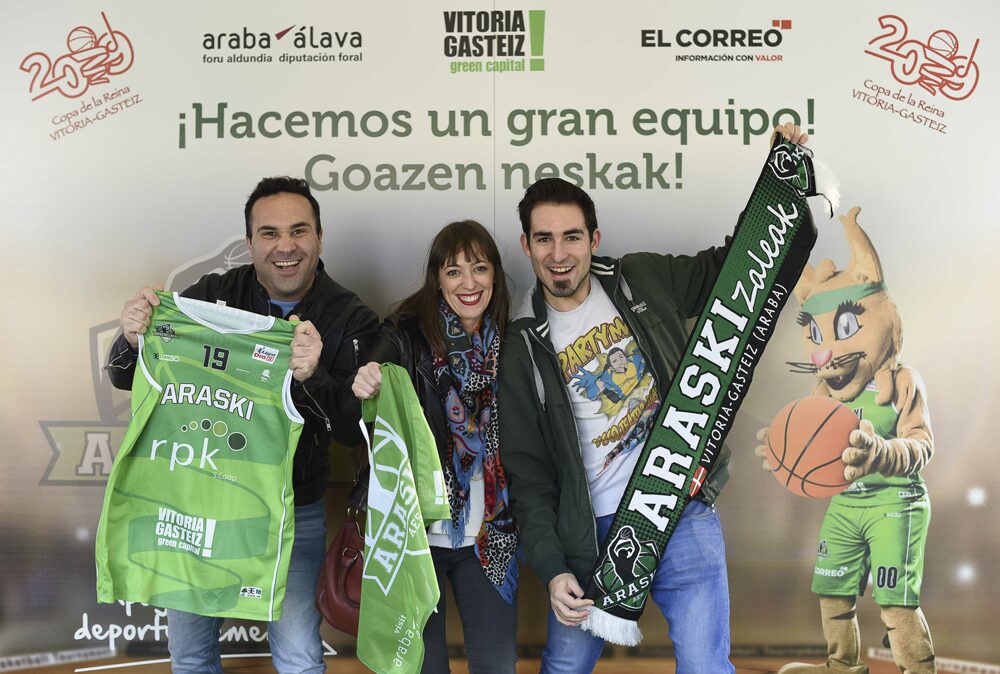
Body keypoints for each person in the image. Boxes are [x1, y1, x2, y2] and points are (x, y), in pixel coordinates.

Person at [498, 125, 808, 673]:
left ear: (594, 239)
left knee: (706, 667)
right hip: (588, 536)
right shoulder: (521, 345)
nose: (558, 254)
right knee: (564, 668)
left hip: (678, 504)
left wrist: (776, 185)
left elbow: (731, 269)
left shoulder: (640, 278)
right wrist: (553, 568)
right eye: (543, 239)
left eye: (572, 237)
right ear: (526, 245)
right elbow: (528, 476)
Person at [106, 176, 378, 674]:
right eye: (269, 233)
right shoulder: (210, 296)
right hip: (197, 504)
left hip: (293, 508)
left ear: (319, 238)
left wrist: (314, 376)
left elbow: (353, 429)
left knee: (299, 657)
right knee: (190, 656)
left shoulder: (351, 316)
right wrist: (131, 338)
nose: (285, 246)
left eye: (299, 231)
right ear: (250, 243)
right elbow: (127, 376)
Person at [351, 220, 519, 674]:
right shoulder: (405, 334)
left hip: (490, 536)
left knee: (497, 666)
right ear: (437, 279)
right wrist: (367, 382)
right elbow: (364, 392)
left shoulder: (512, 342)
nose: (468, 283)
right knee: (424, 667)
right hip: (417, 537)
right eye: (453, 271)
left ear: (495, 275)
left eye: (479, 268)